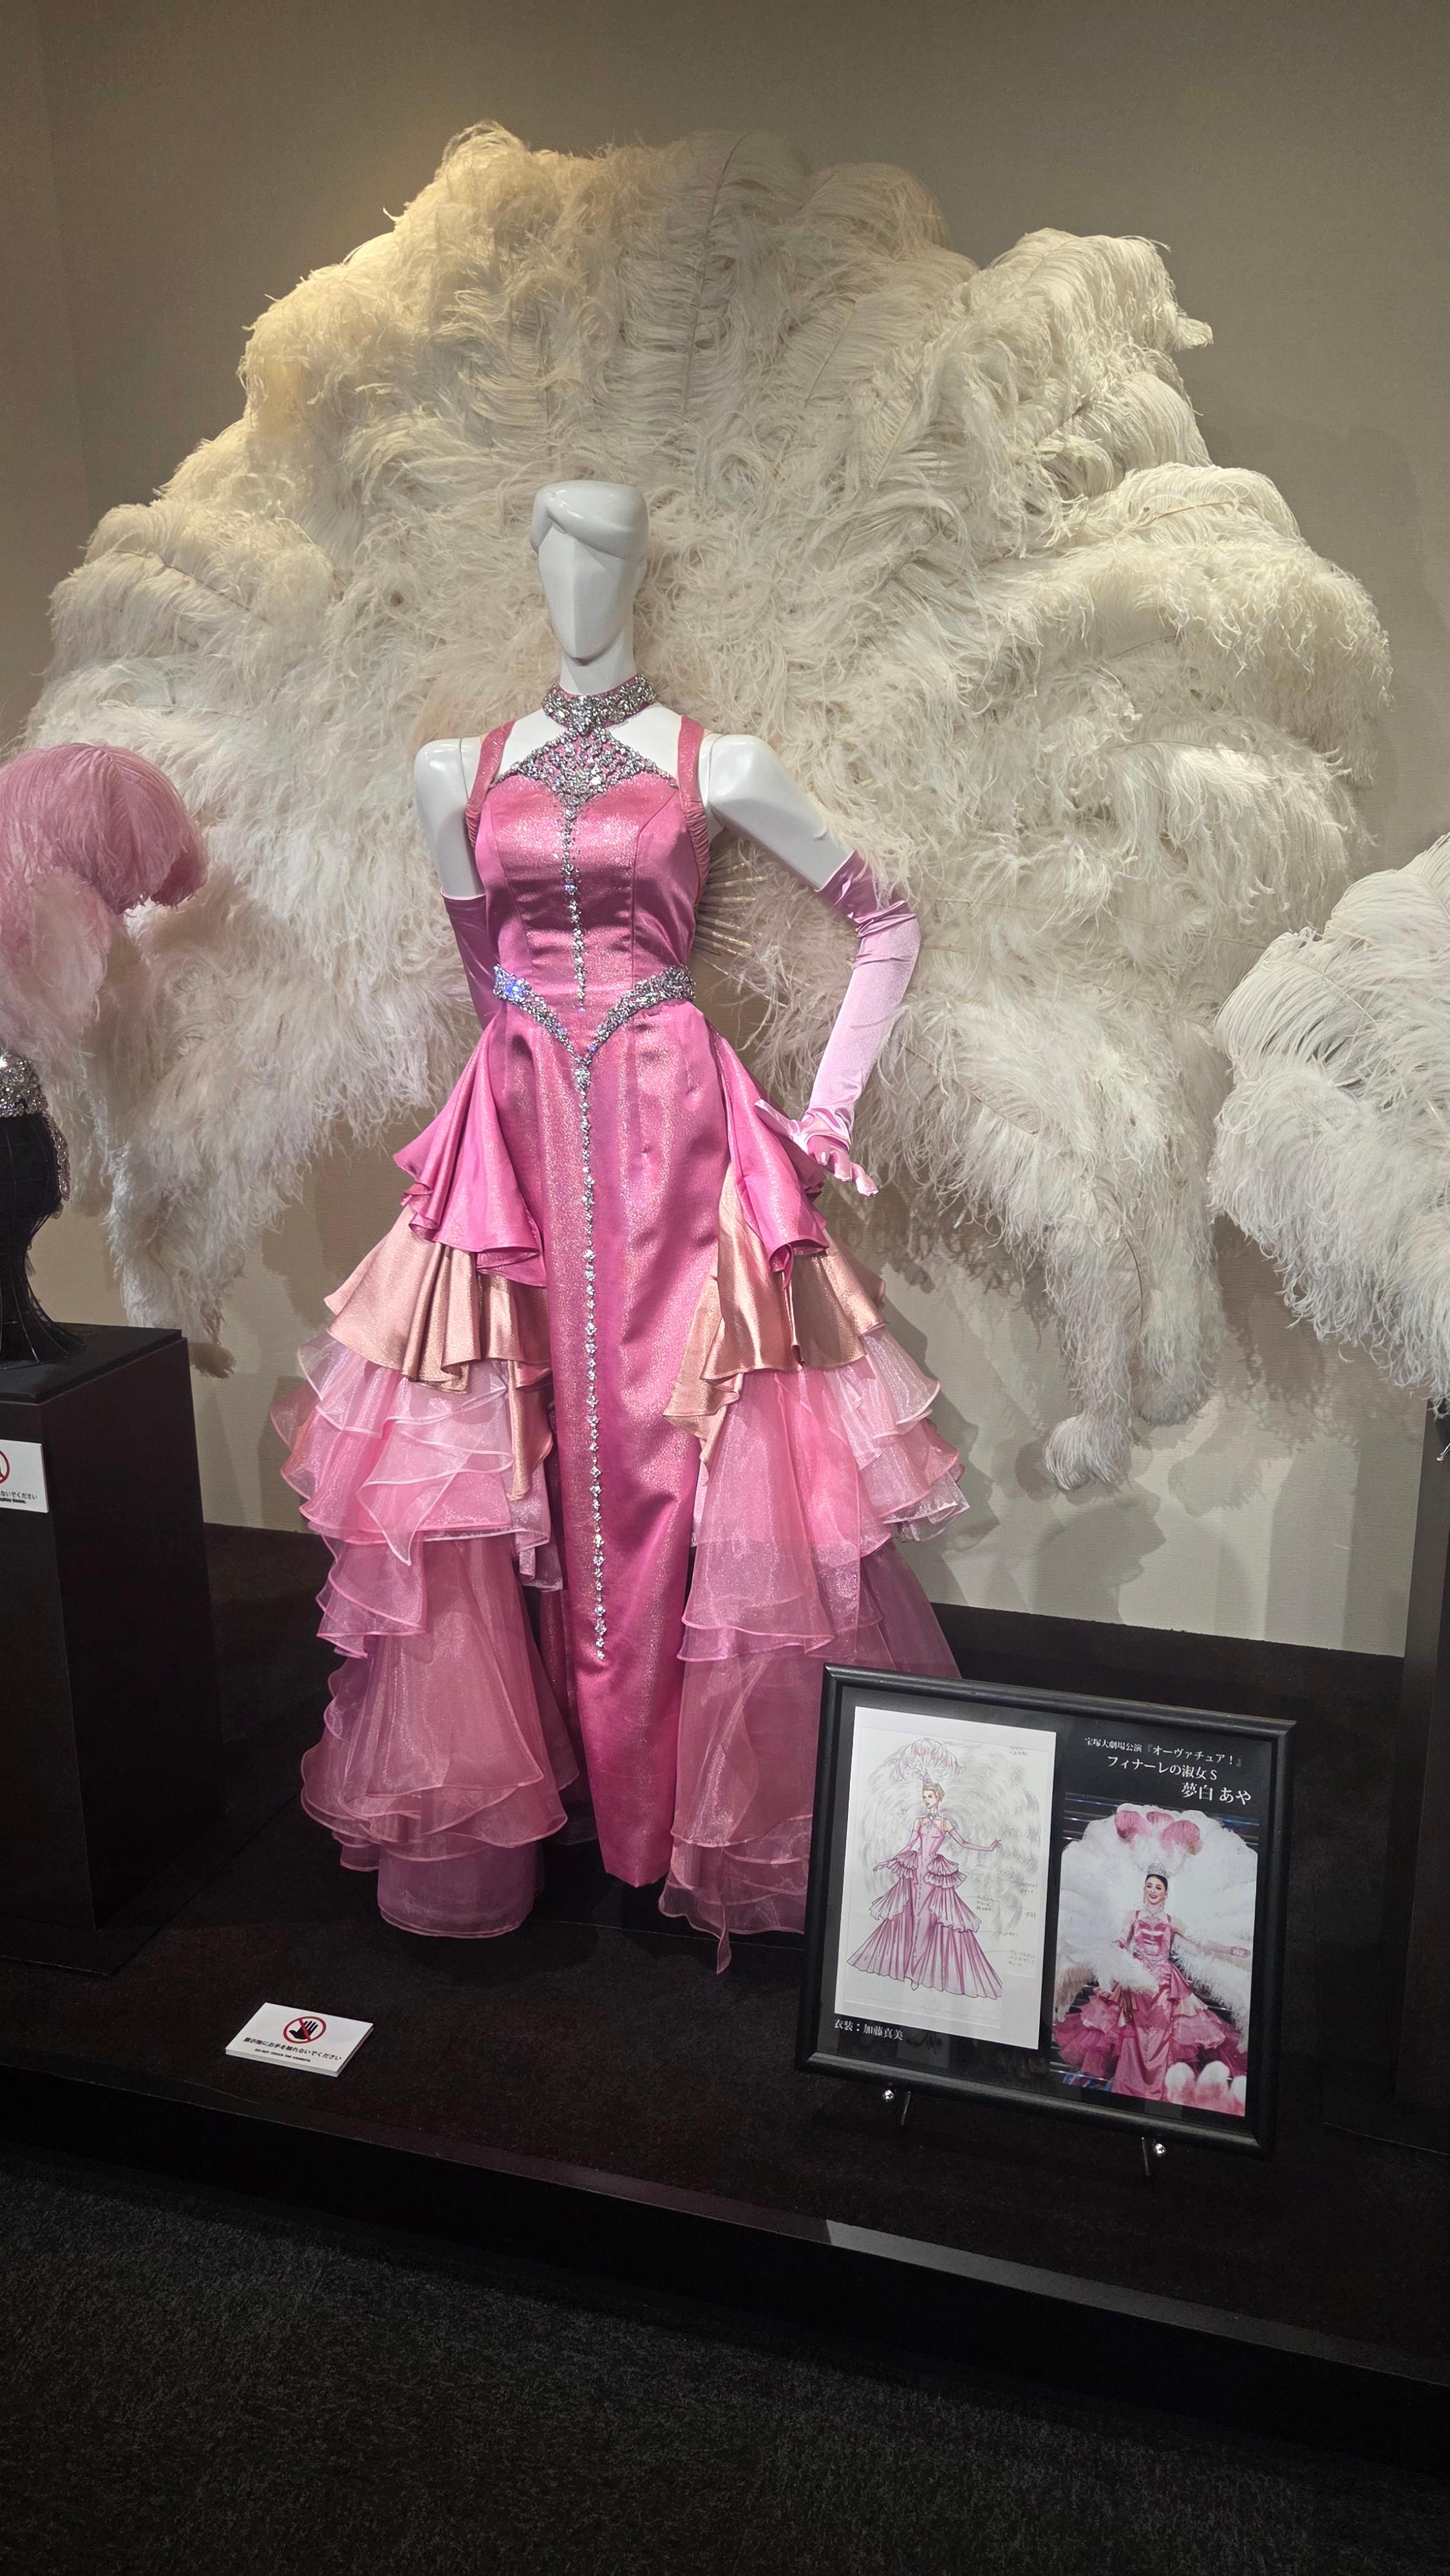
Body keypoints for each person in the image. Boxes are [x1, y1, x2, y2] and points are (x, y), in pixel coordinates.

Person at [849, 1780, 1001, 1997]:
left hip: (933, 1874)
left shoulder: (945, 1823)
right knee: (911, 1917)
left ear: (939, 1797)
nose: (926, 1800)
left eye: (930, 1796)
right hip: (915, 1872)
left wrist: (988, 1848)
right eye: (924, 1797)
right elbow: (909, 1845)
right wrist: (888, 1861)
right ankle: (908, 1969)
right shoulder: (918, 1821)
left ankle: (918, 1972)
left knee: (928, 1921)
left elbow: (963, 1843)